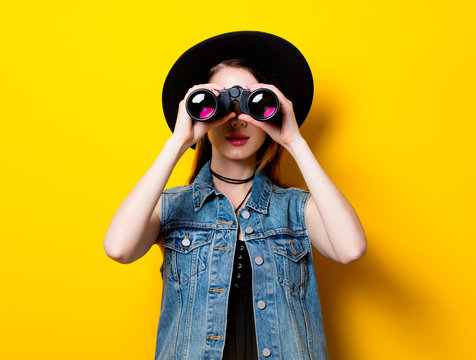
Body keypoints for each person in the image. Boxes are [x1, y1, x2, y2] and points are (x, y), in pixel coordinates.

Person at [103, 31, 367, 360]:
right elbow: (118, 248)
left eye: (251, 104)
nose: (236, 121)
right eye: (223, 104)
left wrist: (294, 141)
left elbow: (351, 249)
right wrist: (179, 140)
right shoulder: (174, 206)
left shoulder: (294, 209)